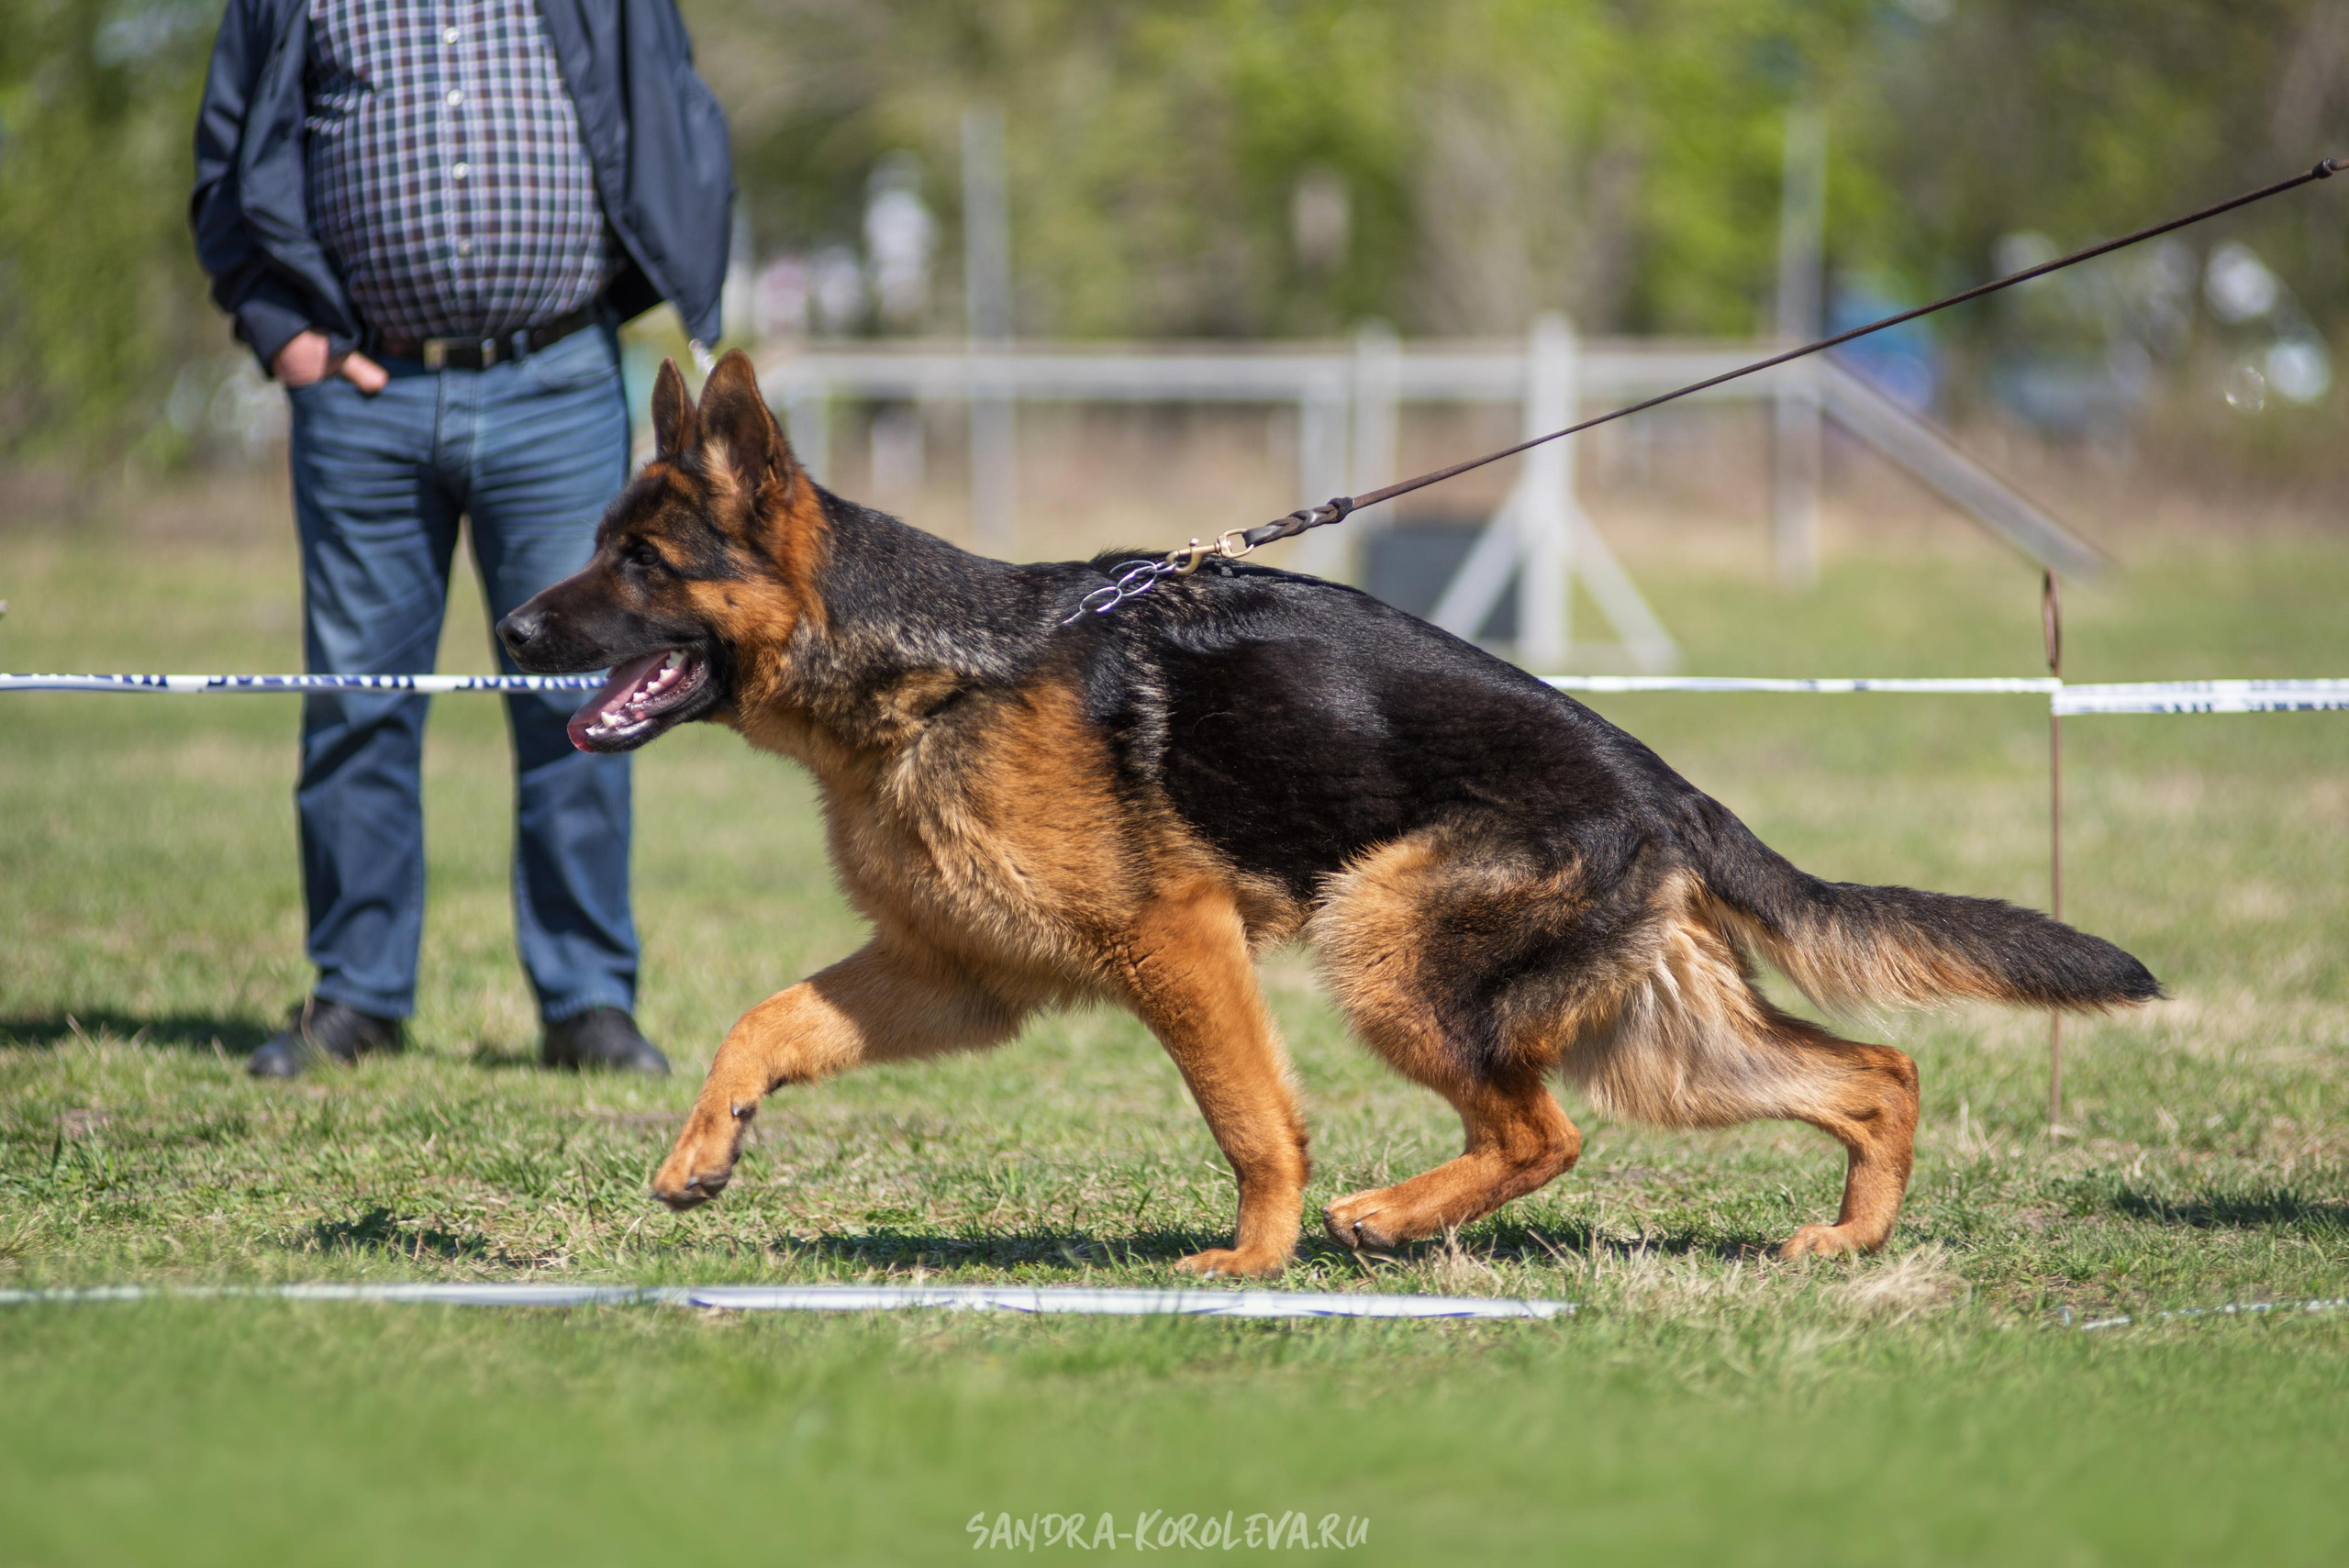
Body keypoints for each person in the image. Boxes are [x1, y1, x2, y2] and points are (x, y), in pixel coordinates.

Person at [191, 0, 732, 1077]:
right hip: (362, 391)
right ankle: (356, 994)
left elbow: (673, 115)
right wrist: (282, 333)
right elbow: (225, 163)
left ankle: (588, 1001)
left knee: (581, 697)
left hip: (558, 380)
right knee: (357, 697)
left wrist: (638, 292)